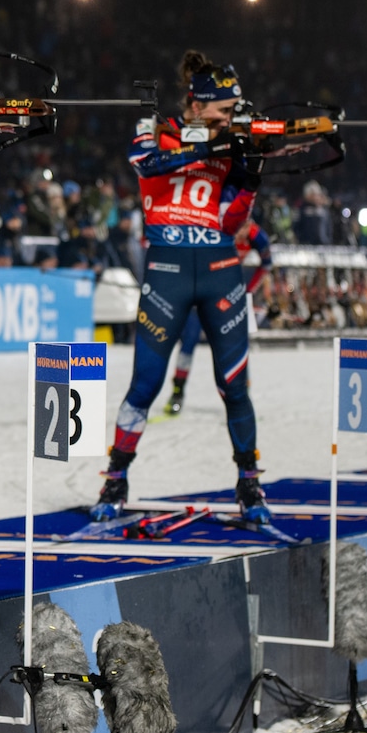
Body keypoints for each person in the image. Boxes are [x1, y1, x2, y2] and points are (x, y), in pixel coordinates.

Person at [91, 53, 314, 527]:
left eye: (235, 112)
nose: (231, 119)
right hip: (167, 269)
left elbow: (230, 221)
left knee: (234, 384)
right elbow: (145, 164)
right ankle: (115, 479)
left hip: (219, 268)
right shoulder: (156, 127)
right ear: (197, 105)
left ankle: (249, 482)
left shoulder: (232, 144)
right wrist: (211, 147)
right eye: (224, 110)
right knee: (145, 384)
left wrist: (251, 171)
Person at [164, 217, 270, 415]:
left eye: (244, 229)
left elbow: (267, 265)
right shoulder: (217, 230)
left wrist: (247, 289)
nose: (239, 235)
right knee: (189, 340)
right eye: (236, 229)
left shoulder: (257, 236)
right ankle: (178, 391)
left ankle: (242, 396)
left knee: (236, 344)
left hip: (228, 294)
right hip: (201, 290)